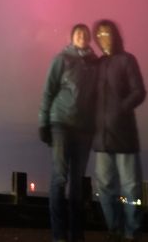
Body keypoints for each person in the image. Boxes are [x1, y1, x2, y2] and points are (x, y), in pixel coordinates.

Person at [39, 23, 98, 242]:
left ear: (89, 38)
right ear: (72, 37)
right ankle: (58, 235)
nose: (82, 36)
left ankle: (76, 234)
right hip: (61, 123)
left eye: (85, 33)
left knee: (77, 183)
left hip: (84, 128)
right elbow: (48, 90)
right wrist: (43, 122)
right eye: (78, 33)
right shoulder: (61, 59)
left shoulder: (95, 64)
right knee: (59, 177)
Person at [91, 19, 146, 241]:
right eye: (100, 34)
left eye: (108, 33)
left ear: (116, 35)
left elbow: (139, 91)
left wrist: (121, 109)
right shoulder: (98, 63)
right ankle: (114, 228)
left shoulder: (127, 60)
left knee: (131, 187)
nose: (105, 37)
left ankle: (132, 231)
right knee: (104, 187)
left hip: (125, 136)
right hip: (101, 139)